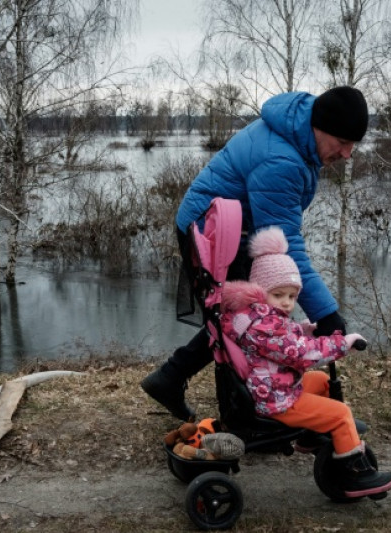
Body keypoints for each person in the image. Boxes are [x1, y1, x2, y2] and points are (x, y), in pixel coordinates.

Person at [141, 86, 369, 421]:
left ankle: (173, 380)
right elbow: (285, 246)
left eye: (353, 145)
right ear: (320, 127)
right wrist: (325, 313)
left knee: (238, 322)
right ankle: (245, 419)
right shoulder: (282, 159)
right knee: (240, 324)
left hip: (229, 226)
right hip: (211, 232)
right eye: (342, 142)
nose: (347, 154)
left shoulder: (300, 133)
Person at [220, 226, 391, 497]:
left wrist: (302, 330)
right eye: (278, 295)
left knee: (322, 382)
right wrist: (343, 343)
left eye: (292, 296)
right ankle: (354, 475)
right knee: (340, 415)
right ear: (260, 292)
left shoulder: (254, 317)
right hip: (276, 399)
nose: (287, 303)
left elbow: (279, 342)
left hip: (269, 385)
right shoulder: (265, 326)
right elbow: (300, 354)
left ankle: (310, 436)